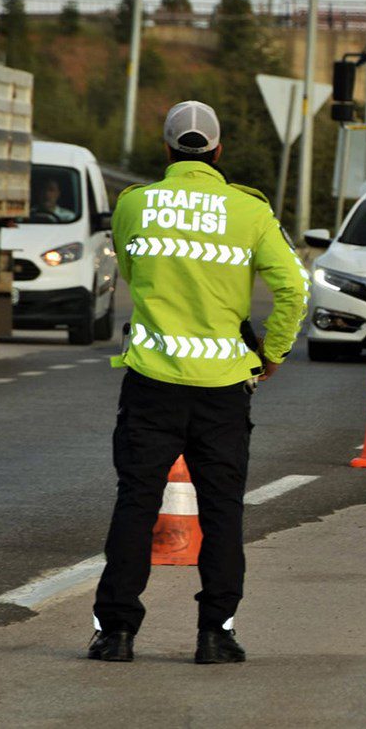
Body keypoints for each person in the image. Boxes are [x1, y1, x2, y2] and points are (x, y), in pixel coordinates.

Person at [89, 100, 309, 664]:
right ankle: (216, 633)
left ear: (166, 150)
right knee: (222, 511)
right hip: (222, 390)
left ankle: (116, 634)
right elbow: (295, 290)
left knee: (136, 504)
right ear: (218, 150)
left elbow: (135, 278)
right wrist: (273, 354)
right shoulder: (249, 211)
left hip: (151, 383)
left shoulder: (133, 204)